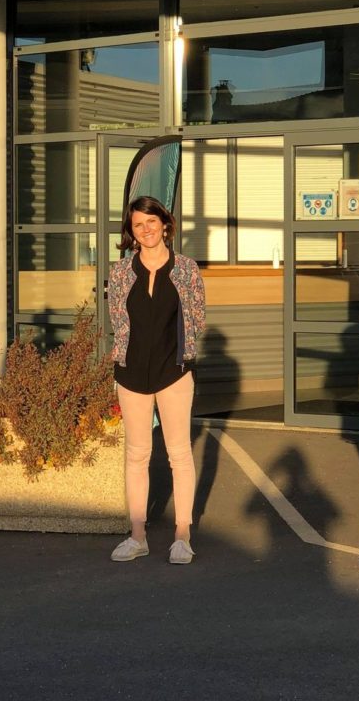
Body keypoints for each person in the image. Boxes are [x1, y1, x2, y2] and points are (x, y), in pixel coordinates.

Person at [106, 195, 206, 565]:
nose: (146, 229)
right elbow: (118, 321)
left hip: (173, 372)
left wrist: (184, 355)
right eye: (138, 224)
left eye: (151, 221)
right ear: (131, 232)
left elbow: (197, 318)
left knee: (179, 454)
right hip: (131, 373)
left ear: (165, 223)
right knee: (136, 455)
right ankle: (137, 536)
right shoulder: (121, 272)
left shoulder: (187, 269)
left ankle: (182, 536)